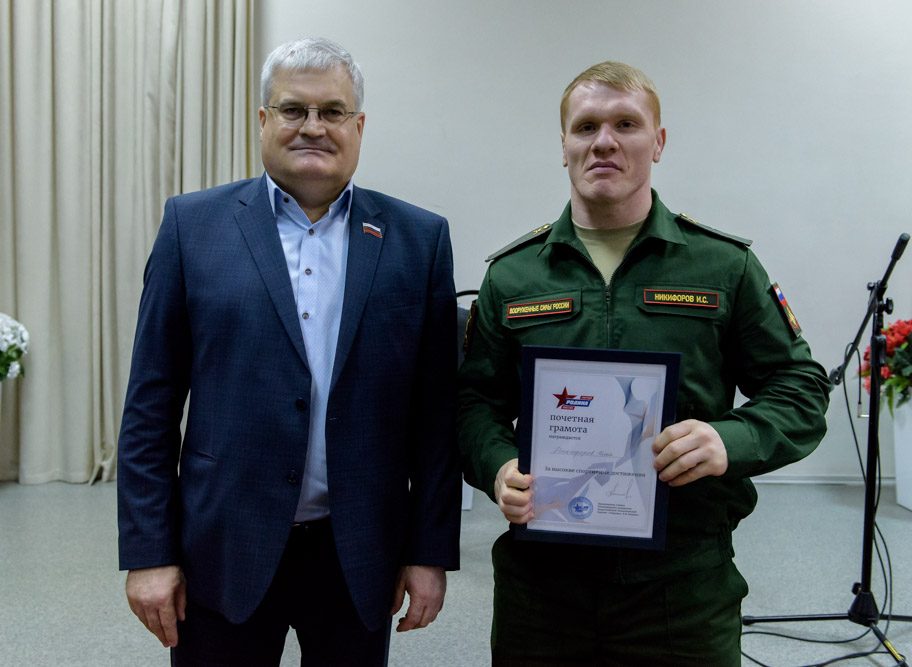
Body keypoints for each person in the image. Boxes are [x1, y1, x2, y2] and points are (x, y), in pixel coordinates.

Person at [457, 61, 830, 666]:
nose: (604, 141)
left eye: (625, 124)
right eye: (586, 127)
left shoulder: (723, 266)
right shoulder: (514, 276)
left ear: (657, 141)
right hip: (543, 586)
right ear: (563, 146)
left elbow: (800, 388)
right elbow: (475, 403)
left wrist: (729, 439)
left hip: (682, 582)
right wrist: (498, 466)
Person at [117, 37, 461, 666]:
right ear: (263, 120)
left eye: (332, 111)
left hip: (359, 554)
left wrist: (429, 551)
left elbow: (436, 416)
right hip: (222, 549)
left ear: (359, 126)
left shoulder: (419, 239)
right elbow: (150, 404)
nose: (313, 127)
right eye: (293, 109)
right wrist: (148, 553)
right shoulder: (192, 227)